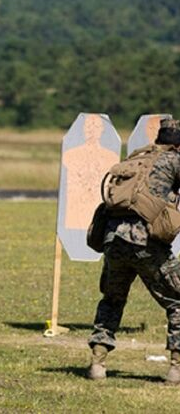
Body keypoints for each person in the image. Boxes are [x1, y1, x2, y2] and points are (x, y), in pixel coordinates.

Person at [88, 118, 180, 383]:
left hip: (113, 240)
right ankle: (175, 369)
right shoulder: (173, 161)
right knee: (177, 300)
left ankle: (97, 364)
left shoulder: (136, 159)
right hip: (146, 243)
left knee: (112, 300)